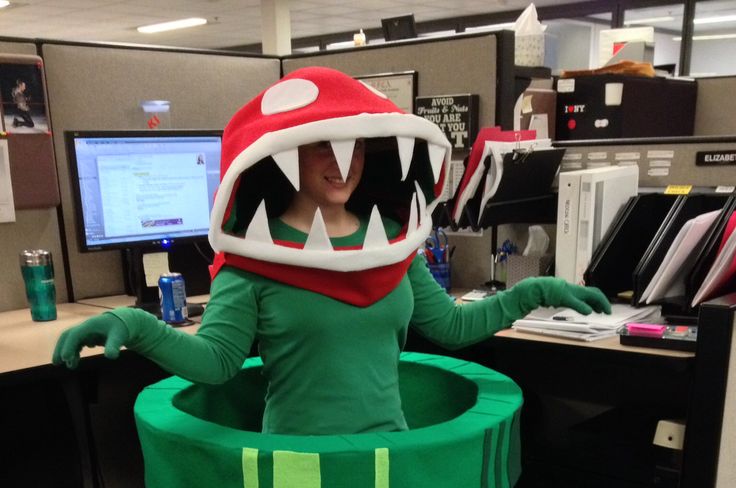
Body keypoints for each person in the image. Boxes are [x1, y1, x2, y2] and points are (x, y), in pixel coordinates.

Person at [53, 67, 610, 436]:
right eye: (324, 145)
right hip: (298, 463)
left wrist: (534, 291)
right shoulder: (256, 251)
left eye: (357, 148)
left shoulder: (390, 240)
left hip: (389, 453)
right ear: (288, 152)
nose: (344, 164)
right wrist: (136, 324)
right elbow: (218, 363)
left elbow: (450, 328)